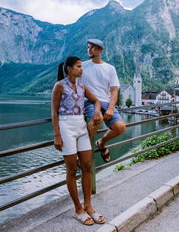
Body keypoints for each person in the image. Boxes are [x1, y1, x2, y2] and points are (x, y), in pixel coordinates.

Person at [51, 56, 105, 226]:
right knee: (72, 169)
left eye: (82, 66)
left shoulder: (82, 86)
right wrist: (57, 135)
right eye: (78, 67)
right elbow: (54, 112)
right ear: (69, 69)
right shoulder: (59, 85)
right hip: (66, 127)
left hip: (81, 126)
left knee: (87, 166)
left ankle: (88, 206)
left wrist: (97, 112)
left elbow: (97, 100)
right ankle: (78, 209)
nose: (82, 69)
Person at [81, 39, 126, 163]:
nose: (89, 49)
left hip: (106, 103)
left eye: (93, 47)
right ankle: (83, 152)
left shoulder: (110, 68)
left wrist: (111, 108)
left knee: (120, 127)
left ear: (101, 50)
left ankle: (101, 143)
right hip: (89, 101)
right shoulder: (82, 66)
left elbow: (114, 91)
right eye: (88, 47)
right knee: (97, 119)